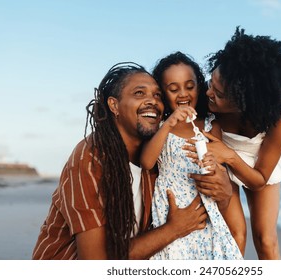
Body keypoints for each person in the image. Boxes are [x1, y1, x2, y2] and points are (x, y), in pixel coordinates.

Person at [32, 62, 210, 260]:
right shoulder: (90, 158)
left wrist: (225, 191)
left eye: (157, 95)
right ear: (114, 105)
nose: (152, 101)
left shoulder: (153, 159)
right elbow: (95, 260)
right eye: (139, 93)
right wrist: (174, 229)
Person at [184, 27, 281, 259]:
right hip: (219, 156)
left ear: (245, 101)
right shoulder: (209, 103)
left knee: (266, 239)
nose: (208, 94)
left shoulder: (280, 116)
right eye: (210, 84)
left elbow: (259, 180)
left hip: (255, 162)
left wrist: (229, 155)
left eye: (218, 92)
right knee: (235, 236)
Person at [140, 52, 246, 259]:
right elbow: (146, 162)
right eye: (173, 89)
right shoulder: (161, 126)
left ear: (199, 86)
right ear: (162, 92)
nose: (183, 94)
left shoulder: (209, 124)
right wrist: (168, 123)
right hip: (172, 208)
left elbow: (218, 164)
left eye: (190, 86)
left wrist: (211, 163)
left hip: (204, 205)